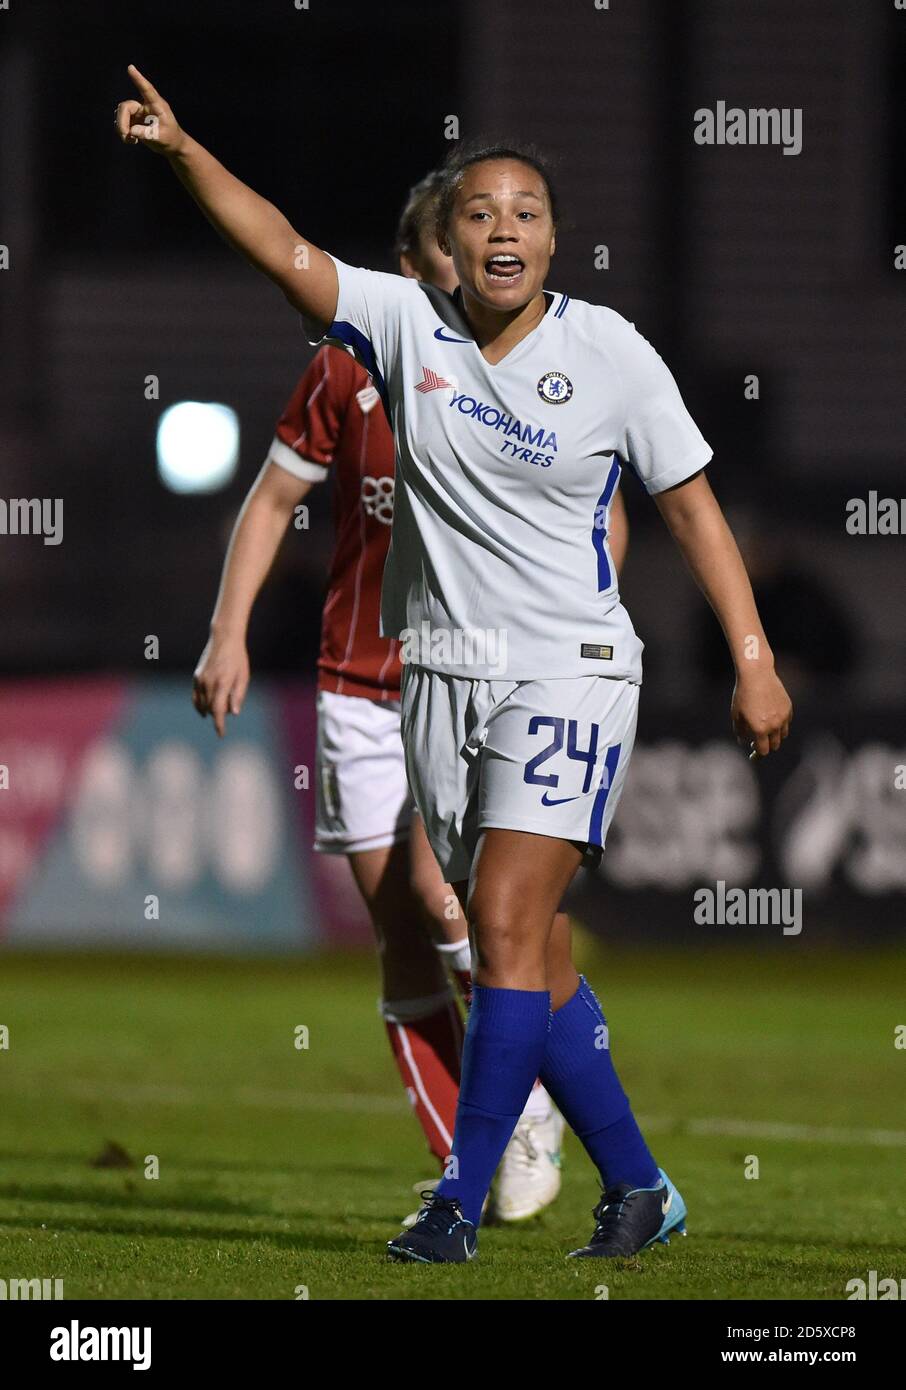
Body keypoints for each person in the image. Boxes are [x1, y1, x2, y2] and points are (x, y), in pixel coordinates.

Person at [116, 68, 792, 1264]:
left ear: (553, 237)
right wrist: (181, 149)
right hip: (436, 677)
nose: (505, 229)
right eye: (482, 211)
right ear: (449, 240)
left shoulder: (614, 354)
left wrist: (752, 656)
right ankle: (640, 1186)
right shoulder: (399, 325)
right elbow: (278, 243)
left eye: (526, 211)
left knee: (494, 917)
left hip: (571, 670)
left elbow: (691, 510)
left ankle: (458, 1198)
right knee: (536, 951)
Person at [189, 165, 628, 1222]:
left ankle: (526, 1103)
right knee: (397, 925)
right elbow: (271, 499)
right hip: (358, 686)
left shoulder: (535, 374)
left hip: (479, 679)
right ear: (409, 267)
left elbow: (601, 515)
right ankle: (461, 1158)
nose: (472, 270)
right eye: (450, 253)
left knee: (454, 904)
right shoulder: (347, 373)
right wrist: (227, 628)